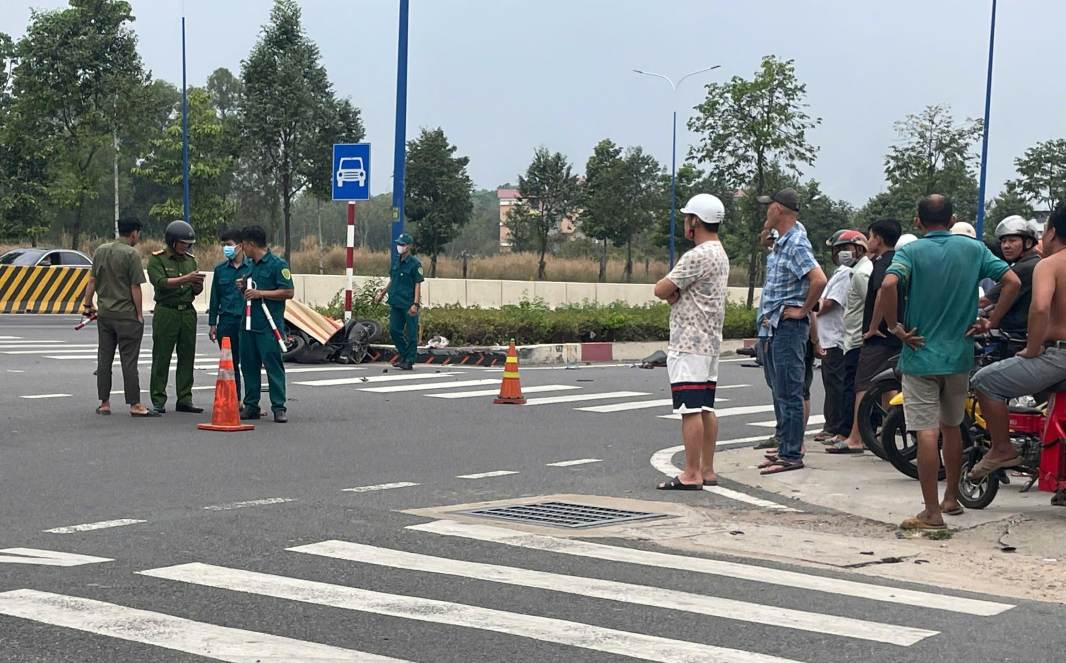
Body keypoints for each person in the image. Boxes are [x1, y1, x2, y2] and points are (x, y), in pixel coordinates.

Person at [878, 195, 1020, 530]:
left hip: (920, 355)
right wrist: (992, 320)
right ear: (952, 218)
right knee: (952, 427)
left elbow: (888, 283)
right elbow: (1012, 281)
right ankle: (952, 498)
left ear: (918, 221)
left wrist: (894, 327)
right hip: (959, 355)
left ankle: (931, 513)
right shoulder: (972, 248)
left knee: (926, 432)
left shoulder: (910, 251)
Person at [970, 204, 1066, 487]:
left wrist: (1033, 348)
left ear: (1051, 232)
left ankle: (1002, 448)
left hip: (1058, 355)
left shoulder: (1048, 265)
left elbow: (1038, 309)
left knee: (985, 381)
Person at [653, 194, 730, 490]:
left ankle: (690, 472)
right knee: (706, 407)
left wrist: (672, 293)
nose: (685, 223)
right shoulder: (720, 253)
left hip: (689, 341)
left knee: (689, 409)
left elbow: (662, 289)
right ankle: (707, 469)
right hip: (709, 341)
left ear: (695, 221)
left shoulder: (697, 255)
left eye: (687, 218)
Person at [754, 188, 828, 474]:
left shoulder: (796, 244)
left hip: (787, 327)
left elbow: (818, 280)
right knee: (779, 391)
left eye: (768, 206)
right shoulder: (784, 241)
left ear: (779, 209)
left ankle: (792, 454)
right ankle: (784, 447)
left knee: (790, 392)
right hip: (772, 326)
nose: (765, 211)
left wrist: (802, 309)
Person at [81, 217, 158, 417]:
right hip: (126, 316)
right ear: (134, 233)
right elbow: (135, 287)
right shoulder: (131, 254)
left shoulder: (100, 251)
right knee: (129, 361)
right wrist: (139, 314)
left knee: (104, 358)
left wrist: (87, 305)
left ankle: (104, 403)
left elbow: (92, 281)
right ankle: (134, 404)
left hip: (105, 315)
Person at [849, 218, 904, 446]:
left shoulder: (881, 264)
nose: (868, 240)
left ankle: (856, 437)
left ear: (878, 239)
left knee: (863, 384)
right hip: (895, 336)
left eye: (870, 236)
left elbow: (883, 291)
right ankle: (886, 433)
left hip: (880, 336)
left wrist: (873, 327)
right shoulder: (900, 261)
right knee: (887, 385)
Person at [237, 225, 294, 423]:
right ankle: (251, 404)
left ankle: (279, 406)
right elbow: (249, 293)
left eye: (243, 244)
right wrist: (243, 288)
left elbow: (288, 292)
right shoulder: (250, 265)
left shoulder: (278, 264)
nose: (242, 249)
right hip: (249, 324)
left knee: (273, 365)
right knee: (248, 366)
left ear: (251, 244)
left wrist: (262, 293)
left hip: (269, 326)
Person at [147, 220, 204, 414]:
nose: (186, 246)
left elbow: (195, 290)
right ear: (172, 242)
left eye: (188, 243)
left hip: (187, 312)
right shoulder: (157, 259)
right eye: (183, 243)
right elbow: (160, 283)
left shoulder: (191, 260)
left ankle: (185, 398)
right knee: (162, 356)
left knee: (187, 356)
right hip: (166, 311)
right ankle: (158, 399)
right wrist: (185, 279)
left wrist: (196, 284)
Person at [825, 230, 871, 453]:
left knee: (851, 388)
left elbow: (869, 304)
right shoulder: (853, 270)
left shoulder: (860, 273)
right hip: (849, 338)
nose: (841, 254)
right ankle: (845, 432)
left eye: (845, 249)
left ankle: (851, 434)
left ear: (860, 248)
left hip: (854, 338)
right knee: (846, 388)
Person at [813, 230, 860, 443]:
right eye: (838, 249)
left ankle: (833, 426)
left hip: (835, 338)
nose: (842, 253)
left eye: (846, 248)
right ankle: (831, 424)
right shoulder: (841, 271)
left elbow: (830, 302)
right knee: (831, 384)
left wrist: (808, 311)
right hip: (829, 337)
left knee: (836, 385)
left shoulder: (847, 274)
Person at [208, 228, 252, 400]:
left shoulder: (251, 267)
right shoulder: (220, 270)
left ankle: (251, 402)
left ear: (240, 246)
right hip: (226, 322)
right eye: (223, 245)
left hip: (245, 321)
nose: (226, 248)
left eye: (229, 245)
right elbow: (214, 298)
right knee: (230, 364)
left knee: (248, 363)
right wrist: (213, 324)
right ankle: (235, 399)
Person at [980, 216, 1041, 336]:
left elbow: (984, 302)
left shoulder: (1023, 268)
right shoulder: (1035, 262)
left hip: (1014, 335)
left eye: (1012, 240)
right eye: (1003, 241)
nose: (1006, 246)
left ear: (1028, 243)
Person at [373, 233, 424, 370]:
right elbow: (392, 279)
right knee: (394, 331)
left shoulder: (415, 264)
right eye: (398, 244)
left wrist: (415, 304)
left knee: (412, 333)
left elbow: (418, 284)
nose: (399, 247)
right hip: (395, 302)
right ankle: (405, 356)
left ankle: (409, 361)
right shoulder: (396, 261)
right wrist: (382, 293)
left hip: (408, 303)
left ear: (408, 246)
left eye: (402, 244)